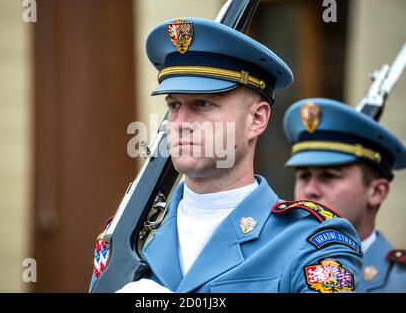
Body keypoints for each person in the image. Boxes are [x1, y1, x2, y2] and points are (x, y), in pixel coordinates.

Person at [91, 17, 364, 293]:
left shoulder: (311, 242)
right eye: (173, 105)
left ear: (257, 119)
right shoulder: (129, 238)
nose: (180, 122)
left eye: (202, 103)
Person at [283, 98, 406, 292]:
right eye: (304, 175)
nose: (310, 190)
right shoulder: (274, 267)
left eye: (329, 176)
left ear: (376, 192)